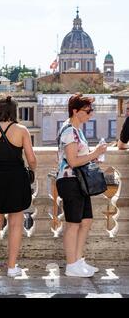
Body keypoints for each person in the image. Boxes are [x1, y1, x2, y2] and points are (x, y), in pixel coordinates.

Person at [0, 96, 36, 278]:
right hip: (17, 177)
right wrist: (31, 169)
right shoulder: (22, 130)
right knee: (16, 224)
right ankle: (11, 267)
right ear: (14, 110)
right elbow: (32, 159)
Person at [56, 93, 107, 277]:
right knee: (73, 224)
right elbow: (72, 161)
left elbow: (79, 159)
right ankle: (71, 265)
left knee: (85, 221)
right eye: (87, 111)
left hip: (79, 181)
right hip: (70, 181)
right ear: (75, 111)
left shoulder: (76, 130)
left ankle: (78, 261)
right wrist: (95, 153)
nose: (90, 114)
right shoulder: (69, 131)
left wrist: (94, 156)